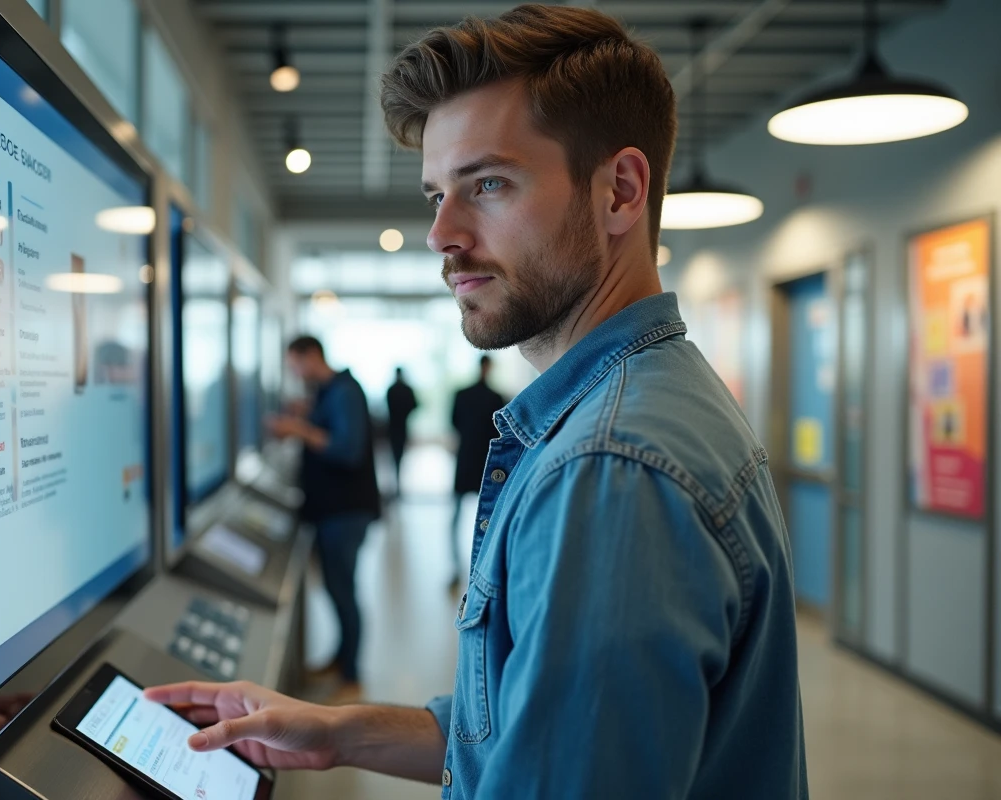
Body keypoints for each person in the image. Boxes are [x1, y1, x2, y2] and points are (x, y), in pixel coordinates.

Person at [147, 6, 807, 798]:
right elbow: (524, 731)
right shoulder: (649, 397)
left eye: (488, 184)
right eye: (436, 195)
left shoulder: (610, 467)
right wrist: (342, 733)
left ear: (620, 192)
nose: (441, 234)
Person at [266, 335, 380, 703]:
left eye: (295, 365)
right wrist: (307, 415)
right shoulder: (328, 392)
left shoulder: (344, 391)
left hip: (346, 512)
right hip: (331, 510)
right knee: (335, 589)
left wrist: (298, 429)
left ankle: (352, 675)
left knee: (344, 591)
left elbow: (346, 449)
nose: (295, 373)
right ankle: (341, 659)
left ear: (311, 356)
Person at [448, 355, 505, 590]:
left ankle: (454, 566)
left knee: (455, 516)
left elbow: (453, 422)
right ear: (488, 368)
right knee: (490, 516)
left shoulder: (462, 394)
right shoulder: (496, 398)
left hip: (465, 458)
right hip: (485, 460)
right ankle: (484, 567)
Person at [385, 367, 418, 492]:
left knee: (396, 455)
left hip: (393, 426)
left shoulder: (391, 389)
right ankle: (398, 481)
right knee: (399, 454)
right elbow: (414, 405)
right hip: (401, 426)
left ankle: (397, 481)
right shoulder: (406, 389)